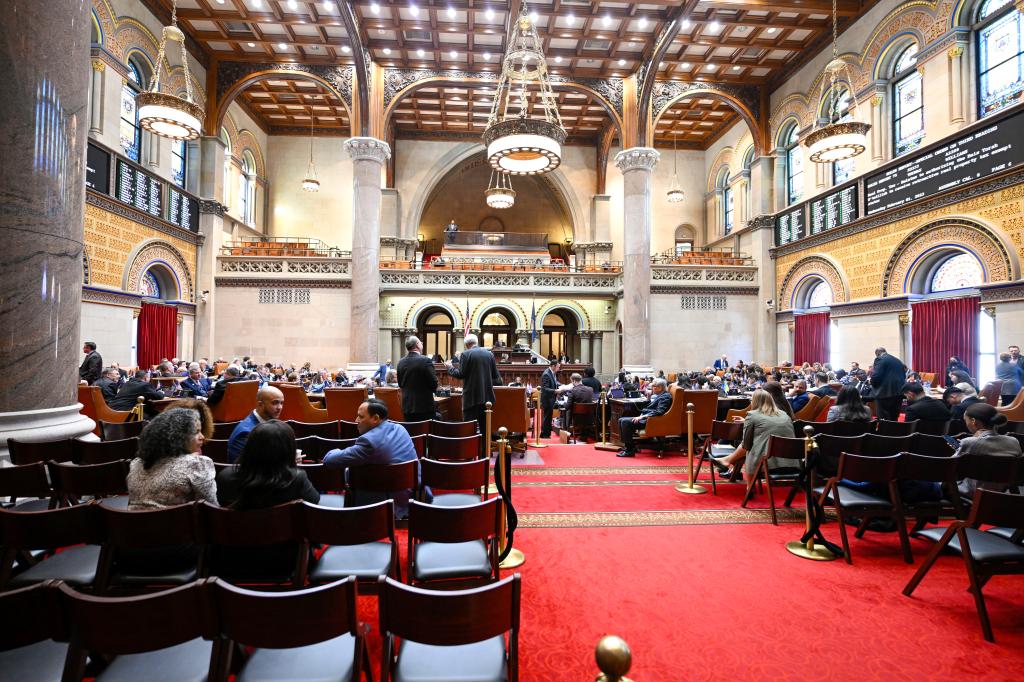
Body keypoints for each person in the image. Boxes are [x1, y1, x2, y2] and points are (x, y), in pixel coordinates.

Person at [323, 399, 419, 517]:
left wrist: (337, 450)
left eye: (360, 417)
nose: (356, 420)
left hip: (384, 506)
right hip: (411, 497)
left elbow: (329, 460)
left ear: (375, 418)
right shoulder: (400, 428)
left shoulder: (369, 443)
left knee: (351, 475)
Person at [126, 408, 217, 510]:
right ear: (179, 437)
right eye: (196, 432)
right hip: (179, 525)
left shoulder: (136, 464)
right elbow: (211, 509)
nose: (202, 437)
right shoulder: (197, 465)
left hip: (131, 524)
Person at [217, 420, 319, 509]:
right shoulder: (297, 479)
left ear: (250, 447)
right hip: (282, 531)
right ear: (288, 450)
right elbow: (315, 501)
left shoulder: (225, 477)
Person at [713, 389, 795, 479]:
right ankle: (728, 461)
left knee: (749, 445)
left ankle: (749, 488)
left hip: (766, 464)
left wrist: (748, 422)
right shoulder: (784, 415)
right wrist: (746, 422)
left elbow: (746, 445)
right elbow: (768, 423)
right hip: (792, 463)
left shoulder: (752, 415)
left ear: (755, 401)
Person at [955, 403, 1022, 498]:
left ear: (973, 421)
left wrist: (958, 448)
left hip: (968, 493)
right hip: (1000, 494)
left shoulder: (967, 442)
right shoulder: (1014, 442)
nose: (966, 424)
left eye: (966, 420)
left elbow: (949, 469)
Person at [446, 334, 503, 444]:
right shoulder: (489, 354)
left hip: (470, 398)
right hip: (487, 398)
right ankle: (484, 453)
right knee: (485, 428)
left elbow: (461, 374)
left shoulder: (466, 354)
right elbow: (496, 377)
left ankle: (470, 455)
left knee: (468, 428)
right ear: (476, 342)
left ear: (466, 344)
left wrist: (450, 368)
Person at [227, 385, 285, 463]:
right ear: (260, 405)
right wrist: (285, 462)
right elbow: (243, 470)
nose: (280, 407)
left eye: (282, 403)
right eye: (275, 403)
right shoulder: (246, 434)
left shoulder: (270, 422)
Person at [616, 378, 672, 458]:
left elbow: (659, 412)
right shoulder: (661, 395)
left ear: (659, 388)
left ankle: (630, 450)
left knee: (625, 422)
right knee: (621, 419)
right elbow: (652, 407)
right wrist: (649, 397)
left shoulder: (665, 397)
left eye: (653, 387)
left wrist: (642, 417)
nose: (652, 388)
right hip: (648, 418)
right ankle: (628, 446)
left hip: (652, 420)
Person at [397, 335, 439, 423]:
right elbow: (434, 383)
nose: (422, 344)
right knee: (426, 433)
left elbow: (400, 384)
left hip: (407, 407)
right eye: (420, 342)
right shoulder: (425, 360)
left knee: (412, 433)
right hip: (424, 407)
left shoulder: (400, 362)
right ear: (417, 345)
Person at [870, 347, 907, 421]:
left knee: (883, 419)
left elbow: (876, 377)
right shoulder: (897, 360)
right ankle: (894, 432)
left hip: (885, 394)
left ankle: (885, 432)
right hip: (899, 393)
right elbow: (904, 375)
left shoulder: (880, 359)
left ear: (877, 354)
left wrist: (872, 382)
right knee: (894, 417)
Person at [539, 359, 560, 438]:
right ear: (553, 366)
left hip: (550, 399)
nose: (558, 369)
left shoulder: (552, 373)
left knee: (549, 417)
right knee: (547, 417)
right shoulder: (546, 374)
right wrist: (555, 391)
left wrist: (562, 385)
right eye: (558, 367)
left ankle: (547, 434)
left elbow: (554, 382)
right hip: (547, 399)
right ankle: (544, 434)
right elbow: (545, 388)